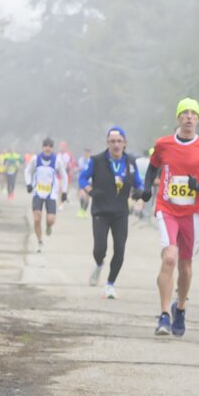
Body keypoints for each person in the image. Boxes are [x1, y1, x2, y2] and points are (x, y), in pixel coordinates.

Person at [143, 99, 199, 338]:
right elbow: (152, 168)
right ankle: (164, 315)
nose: (189, 117)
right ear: (178, 118)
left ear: (198, 119)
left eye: (193, 113)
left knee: (185, 267)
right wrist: (146, 189)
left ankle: (180, 308)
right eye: (184, 113)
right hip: (167, 208)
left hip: (191, 213)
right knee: (169, 257)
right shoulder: (163, 144)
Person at [78, 126, 143, 299]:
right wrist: (90, 191)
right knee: (100, 249)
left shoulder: (130, 162)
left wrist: (140, 191)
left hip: (120, 211)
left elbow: (138, 182)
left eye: (119, 141)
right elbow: (82, 178)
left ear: (125, 143)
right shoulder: (97, 160)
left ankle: (110, 284)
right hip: (101, 210)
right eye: (112, 141)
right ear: (107, 143)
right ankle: (98, 264)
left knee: (120, 249)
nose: (116, 145)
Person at [26, 138, 61, 251]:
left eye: (50, 146)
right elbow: (28, 171)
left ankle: (49, 226)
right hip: (37, 193)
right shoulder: (35, 159)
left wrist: (64, 191)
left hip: (51, 194)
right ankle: (39, 241)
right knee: (37, 218)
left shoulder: (57, 160)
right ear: (42, 147)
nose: (47, 148)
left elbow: (64, 175)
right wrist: (28, 184)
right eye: (45, 146)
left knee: (50, 219)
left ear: (52, 148)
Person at [75, 147, 93, 217]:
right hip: (83, 180)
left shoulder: (91, 160)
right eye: (85, 152)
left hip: (90, 181)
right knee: (82, 195)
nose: (86, 153)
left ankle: (84, 211)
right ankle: (81, 209)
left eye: (88, 152)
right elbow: (79, 168)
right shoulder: (81, 160)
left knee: (87, 197)